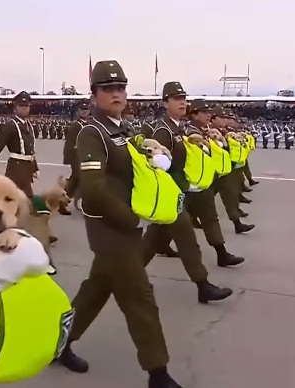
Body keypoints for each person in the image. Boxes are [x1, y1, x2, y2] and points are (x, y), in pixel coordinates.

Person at [57, 60, 184, 388]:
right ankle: (158, 374)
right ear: (94, 94)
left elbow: (139, 164)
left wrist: (153, 150)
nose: (116, 94)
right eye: (108, 89)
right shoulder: (92, 133)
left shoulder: (125, 129)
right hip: (109, 229)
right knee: (140, 298)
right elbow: (94, 188)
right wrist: (129, 217)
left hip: (126, 227)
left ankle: (58, 342)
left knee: (95, 290)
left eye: (120, 88)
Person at [141, 82, 233, 303]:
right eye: (175, 98)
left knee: (153, 241)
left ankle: (125, 275)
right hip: (172, 192)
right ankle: (203, 286)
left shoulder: (178, 127)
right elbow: (157, 163)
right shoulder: (163, 130)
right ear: (165, 103)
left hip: (181, 190)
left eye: (183, 97)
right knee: (186, 239)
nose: (182, 102)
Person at [185, 100, 245, 267]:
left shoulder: (207, 130)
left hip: (205, 182)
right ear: (194, 114)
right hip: (190, 185)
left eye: (209, 112)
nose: (208, 115)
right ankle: (138, 261)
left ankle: (222, 253)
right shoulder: (190, 132)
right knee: (165, 228)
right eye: (204, 112)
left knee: (210, 218)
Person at [209, 107, 255, 232]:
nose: (225, 120)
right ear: (214, 119)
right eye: (222, 118)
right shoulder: (207, 131)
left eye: (226, 118)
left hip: (222, 170)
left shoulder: (224, 130)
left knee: (229, 194)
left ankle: (237, 223)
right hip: (211, 172)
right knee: (201, 201)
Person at [0, 91, 38, 196]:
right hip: (16, 169)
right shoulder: (10, 126)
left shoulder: (29, 125)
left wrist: (35, 168)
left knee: (25, 201)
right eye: (21, 106)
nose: (24, 108)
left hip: (27, 170)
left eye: (26, 106)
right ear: (15, 108)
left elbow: (30, 150)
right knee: (14, 198)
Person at [60, 99, 90, 214]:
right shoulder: (76, 125)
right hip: (76, 157)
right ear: (78, 111)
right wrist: (68, 159)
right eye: (82, 110)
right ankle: (63, 201)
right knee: (79, 179)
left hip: (84, 156)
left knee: (75, 181)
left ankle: (63, 200)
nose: (84, 112)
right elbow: (70, 143)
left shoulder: (87, 124)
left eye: (86, 109)